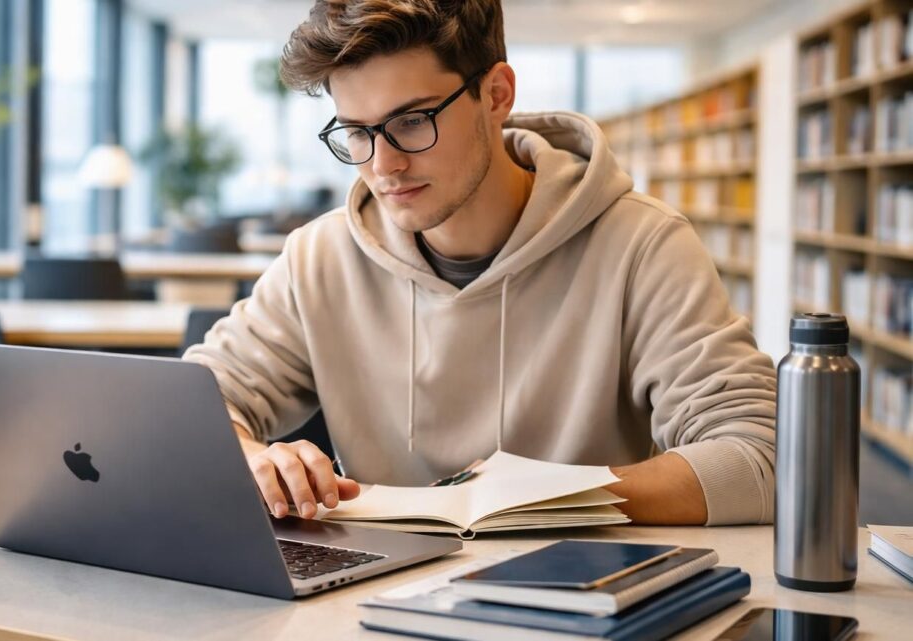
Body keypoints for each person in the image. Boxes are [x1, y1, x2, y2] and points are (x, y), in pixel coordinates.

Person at [184, 0, 776, 526]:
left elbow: (758, 456)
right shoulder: (320, 256)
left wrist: (539, 497)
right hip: (368, 599)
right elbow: (195, 402)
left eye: (412, 120)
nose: (382, 164)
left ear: (495, 95)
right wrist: (258, 461)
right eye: (357, 132)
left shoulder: (642, 243)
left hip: (575, 595)